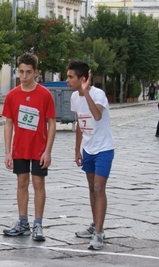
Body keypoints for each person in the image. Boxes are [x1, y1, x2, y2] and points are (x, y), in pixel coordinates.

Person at [2, 53, 56, 241]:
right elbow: (8, 124)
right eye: (21, 72)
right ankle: (23, 222)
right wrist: (7, 151)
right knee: (22, 182)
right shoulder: (12, 96)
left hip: (39, 148)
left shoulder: (44, 95)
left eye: (28, 72)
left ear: (36, 73)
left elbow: (51, 123)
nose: (24, 76)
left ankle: (38, 224)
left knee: (38, 184)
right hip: (20, 148)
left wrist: (48, 150)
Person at [67, 60, 115, 250]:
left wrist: (86, 93)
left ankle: (98, 233)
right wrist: (77, 148)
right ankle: (96, 223)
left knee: (98, 187)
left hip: (104, 148)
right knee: (90, 187)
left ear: (83, 79)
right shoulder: (74, 98)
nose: (67, 80)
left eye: (71, 77)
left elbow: (96, 115)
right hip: (88, 148)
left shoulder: (98, 94)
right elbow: (81, 122)